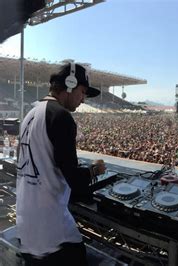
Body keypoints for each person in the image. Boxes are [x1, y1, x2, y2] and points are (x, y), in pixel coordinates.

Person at [16, 62, 106, 266]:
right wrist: (96, 170)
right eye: (82, 92)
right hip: (51, 233)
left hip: (26, 226)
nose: (83, 99)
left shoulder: (30, 114)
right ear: (70, 84)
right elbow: (74, 179)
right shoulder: (61, 116)